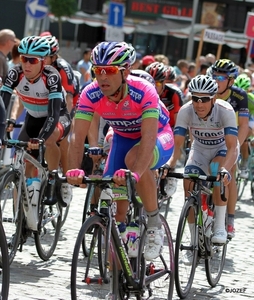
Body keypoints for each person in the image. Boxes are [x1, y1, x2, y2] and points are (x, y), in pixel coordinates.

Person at [66, 41, 174, 263]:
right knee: (117, 202)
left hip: (157, 137)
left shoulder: (143, 90)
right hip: (123, 138)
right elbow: (77, 137)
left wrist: (135, 173)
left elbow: (149, 138)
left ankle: (153, 224)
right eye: (98, 70)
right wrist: (74, 169)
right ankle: (123, 267)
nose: (102, 76)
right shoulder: (91, 93)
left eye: (110, 71)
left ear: (125, 71)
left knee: (134, 161)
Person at [165, 75, 239, 246]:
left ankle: (220, 225)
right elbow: (177, 145)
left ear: (213, 98)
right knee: (188, 183)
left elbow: (232, 147)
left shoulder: (225, 110)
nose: (199, 104)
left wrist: (225, 169)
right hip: (199, 149)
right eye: (195, 98)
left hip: (222, 149)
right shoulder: (186, 111)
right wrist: (169, 164)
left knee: (217, 171)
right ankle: (194, 238)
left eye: (204, 99)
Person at [0, 35, 72, 205]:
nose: (26, 64)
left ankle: (53, 180)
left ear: (43, 61)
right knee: (24, 165)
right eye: (24, 58)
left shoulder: (52, 76)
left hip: (57, 117)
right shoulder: (15, 73)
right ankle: (22, 217)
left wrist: (41, 138)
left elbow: (53, 114)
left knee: (50, 139)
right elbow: (2, 104)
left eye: (32, 60)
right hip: (33, 118)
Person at [211, 59, 249, 239]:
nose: (216, 80)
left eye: (221, 77)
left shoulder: (240, 96)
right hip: (209, 137)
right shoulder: (208, 92)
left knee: (228, 173)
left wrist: (236, 147)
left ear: (231, 80)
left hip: (230, 139)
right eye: (214, 76)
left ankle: (230, 218)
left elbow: (243, 126)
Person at [43, 34, 80, 203]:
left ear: (54, 56)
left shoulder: (63, 68)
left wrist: (61, 124)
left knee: (63, 140)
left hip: (68, 105)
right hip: (46, 104)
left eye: (45, 57)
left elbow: (69, 101)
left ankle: (65, 181)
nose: (41, 60)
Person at [145, 62, 183, 129]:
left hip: (170, 128)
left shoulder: (174, 93)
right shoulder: (142, 93)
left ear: (164, 83)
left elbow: (179, 123)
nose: (153, 86)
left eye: (157, 83)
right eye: (150, 82)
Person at [233, 73, 254, 177]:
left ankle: (244, 164)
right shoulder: (233, 94)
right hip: (237, 119)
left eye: (244, 90)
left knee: (245, 140)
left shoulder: (251, 98)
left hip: (250, 118)